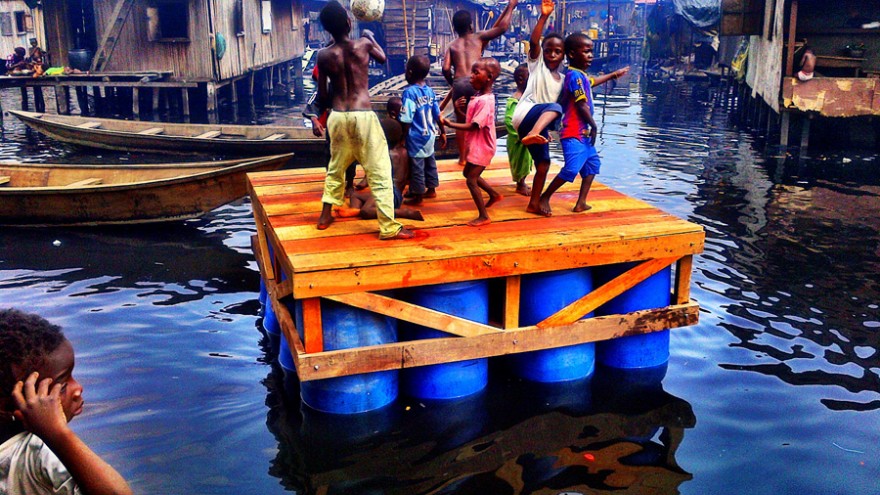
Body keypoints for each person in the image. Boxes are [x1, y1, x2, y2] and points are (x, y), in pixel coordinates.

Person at [0, 308, 132, 495]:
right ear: (8, 406)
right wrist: (58, 434)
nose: (78, 388)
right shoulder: (40, 452)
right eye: (62, 385)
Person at [314, 1, 413, 239]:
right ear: (350, 21)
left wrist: (322, 114)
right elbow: (382, 57)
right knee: (379, 169)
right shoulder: (364, 44)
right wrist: (370, 35)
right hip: (364, 114)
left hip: (338, 115)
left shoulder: (323, 55)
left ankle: (325, 215)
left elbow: (323, 95)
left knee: (336, 168)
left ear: (327, 29)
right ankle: (388, 227)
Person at [535, 33, 628, 216]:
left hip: (582, 133)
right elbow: (581, 103)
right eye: (586, 52)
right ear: (571, 54)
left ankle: (581, 202)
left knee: (592, 165)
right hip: (573, 132)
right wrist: (594, 125)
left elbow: (592, 82)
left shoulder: (580, 76)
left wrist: (613, 75)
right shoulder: (574, 76)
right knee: (571, 168)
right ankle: (545, 197)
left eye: (591, 52)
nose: (591, 56)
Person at [442, 0, 518, 164]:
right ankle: (479, 155)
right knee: (479, 120)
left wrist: (453, 84)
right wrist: (511, 6)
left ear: (454, 29)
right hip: (477, 81)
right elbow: (502, 28)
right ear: (471, 26)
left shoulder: (451, 45)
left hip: (459, 84)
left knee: (461, 121)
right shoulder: (478, 36)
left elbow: (446, 68)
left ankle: (463, 158)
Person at [509, 0, 565, 215]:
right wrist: (543, 16)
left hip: (536, 125)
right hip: (524, 115)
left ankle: (534, 203)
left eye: (557, 52)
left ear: (563, 55)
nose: (551, 54)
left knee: (544, 164)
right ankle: (534, 133)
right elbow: (534, 42)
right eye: (548, 50)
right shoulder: (536, 66)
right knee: (555, 107)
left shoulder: (562, 79)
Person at [441, 57, 503, 227]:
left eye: (476, 73)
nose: (471, 77)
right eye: (472, 72)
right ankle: (494, 194)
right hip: (476, 145)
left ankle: (483, 216)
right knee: (467, 174)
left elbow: (473, 126)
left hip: (483, 146)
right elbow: (469, 119)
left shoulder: (485, 101)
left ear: (489, 77)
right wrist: (459, 109)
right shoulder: (477, 97)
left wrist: (449, 123)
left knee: (471, 180)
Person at [339, 117, 425, 222]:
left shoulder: (387, 155)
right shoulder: (405, 151)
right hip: (393, 193)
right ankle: (355, 210)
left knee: (366, 211)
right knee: (355, 196)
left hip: (390, 194)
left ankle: (402, 212)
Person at [400, 55, 446, 205]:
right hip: (430, 134)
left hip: (416, 136)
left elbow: (406, 118)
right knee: (430, 161)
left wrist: (402, 137)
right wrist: (443, 132)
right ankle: (431, 189)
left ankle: (417, 195)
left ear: (410, 72)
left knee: (417, 166)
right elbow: (438, 114)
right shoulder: (430, 92)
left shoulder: (409, 93)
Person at [505, 63, 533, 196]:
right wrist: (520, 134)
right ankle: (520, 184)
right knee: (520, 162)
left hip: (527, 138)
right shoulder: (514, 101)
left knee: (527, 161)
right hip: (518, 140)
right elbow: (509, 121)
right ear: (521, 80)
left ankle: (523, 181)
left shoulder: (528, 99)